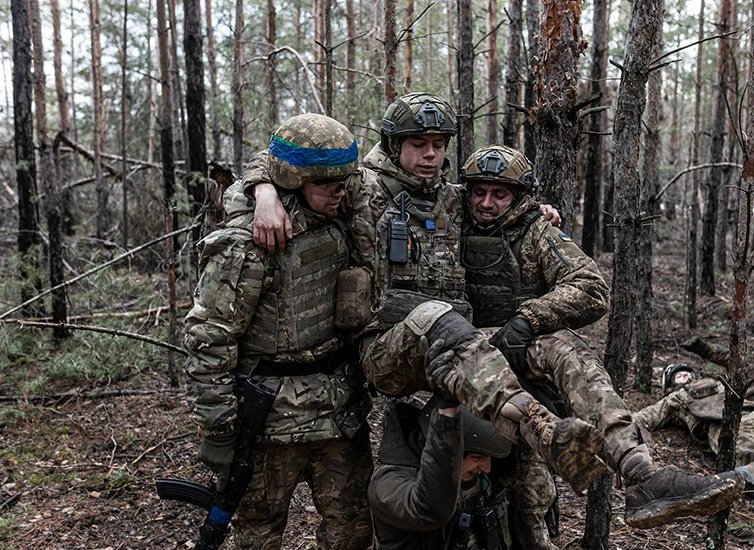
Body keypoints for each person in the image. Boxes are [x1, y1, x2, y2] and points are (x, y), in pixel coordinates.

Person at [242, 93, 608, 492]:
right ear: (395, 144)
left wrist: (538, 212)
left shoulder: (451, 198)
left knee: (555, 343)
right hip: (388, 351)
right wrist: (263, 191)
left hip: (455, 347)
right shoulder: (361, 189)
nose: (430, 154)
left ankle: (626, 457)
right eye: (419, 144)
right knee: (435, 315)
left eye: (438, 144)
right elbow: (284, 162)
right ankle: (540, 426)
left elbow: (500, 204)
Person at [459, 144, 745, 530]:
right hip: (458, 352)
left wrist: (528, 320)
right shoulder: (449, 217)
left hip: (515, 355)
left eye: (500, 194)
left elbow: (591, 288)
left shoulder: (534, 230)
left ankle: (641, 472)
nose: (486, 203)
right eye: (479, 192)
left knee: (533, 504)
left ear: (519, 197)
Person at [183, 114, 374, 549]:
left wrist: (262, 186)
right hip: (270, 422)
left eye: (343, 181)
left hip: (340, 412)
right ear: (294, 180)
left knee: (353, 533)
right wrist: (219, 429)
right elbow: (209, 338)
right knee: (258, 536)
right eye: (325, 183)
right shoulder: (246, 243)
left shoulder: (339, 210)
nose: (339, 190)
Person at [632, 364, 754, 525]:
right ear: (670, 385)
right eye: (678, 376)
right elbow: (645, 417)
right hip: (724, 424)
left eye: (686, 372)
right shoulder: (673, 399)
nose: (684, 375)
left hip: (753, 415)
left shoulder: (718, 383)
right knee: (752, 457)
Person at [368, 338, 515, 550]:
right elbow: (429, 510)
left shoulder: (472, 475)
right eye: (477, 458)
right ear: (451, 450)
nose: (486, 468)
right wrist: (447, 418)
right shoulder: (388, 485)